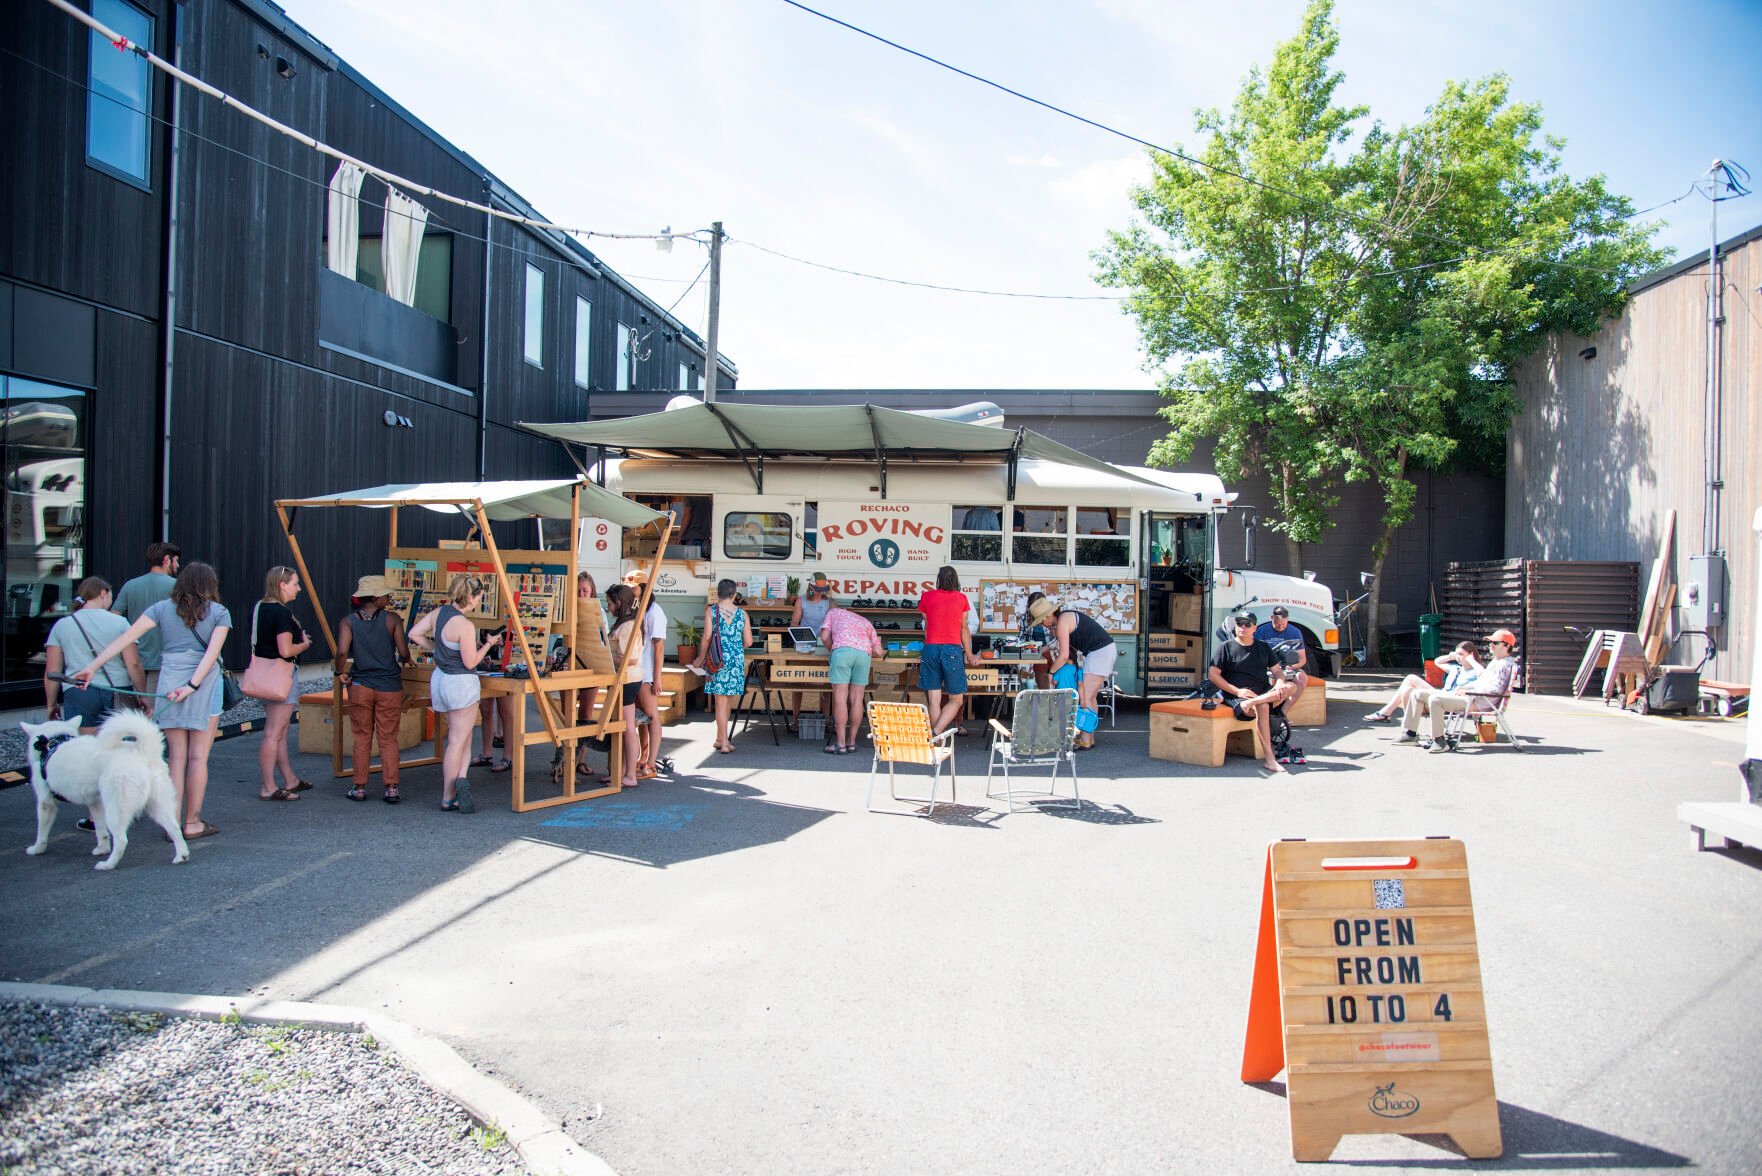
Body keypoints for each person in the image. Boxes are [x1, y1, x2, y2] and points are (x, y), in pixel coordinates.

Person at [75, 561, 231, 838]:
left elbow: (126, 638)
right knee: (198, 758)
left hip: (169, 682)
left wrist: (93, 666)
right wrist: (193, 685)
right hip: (204, 684)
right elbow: (211, 654)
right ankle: (192, 823)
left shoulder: (161, 609)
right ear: (210, 585)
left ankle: (171, 823)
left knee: (176, 758)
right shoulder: (219, 613)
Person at [408, 574, 503, 813]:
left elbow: (414, 634)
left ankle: (461, 781)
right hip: (461, 683)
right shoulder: (465, 626)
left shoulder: (439, 614)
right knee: (457, 740)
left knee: (463, 735)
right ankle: (448, 795)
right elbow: (470, 661)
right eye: (479, 598)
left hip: (441, 679)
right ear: (471, 598)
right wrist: (489, 644)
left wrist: (436, 649)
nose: (479, 602)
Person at [335, 574, 411, 803]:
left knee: (361, 737)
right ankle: (392, 788)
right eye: (386, 595)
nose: (389, 597)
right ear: (377, 598)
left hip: (360, 684)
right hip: (389, 685)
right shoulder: (392, 620)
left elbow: (341, 652)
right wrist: (406, 660)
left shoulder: (348, 621)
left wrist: (340, 673)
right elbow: (403, 652)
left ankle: (359, 787)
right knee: (388, 738)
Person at [45, 577, 146, 732]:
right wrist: (142, 694)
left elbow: (52, 672)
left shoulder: (62, 625)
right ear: (103, 593)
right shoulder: (120, 622)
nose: (111, 601)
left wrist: (51, 704)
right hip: (117, 690)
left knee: (86, 747)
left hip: (78, 691)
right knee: (120, 744)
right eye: (111, 596)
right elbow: (133, 663)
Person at [252, 566, 315, 802]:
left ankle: (289, 779)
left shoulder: (260, 607)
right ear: (282, 585)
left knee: (279, 729)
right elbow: (286, 650)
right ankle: (268, 786)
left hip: (263, 674)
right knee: (273, 733)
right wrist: (305, 644)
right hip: (281, 675)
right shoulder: (281, 613)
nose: (298, 588)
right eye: (295, 583)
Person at [1399, 629, 1520, 751]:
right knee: (1416, 693)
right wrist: (1465, 687)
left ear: (1507, 646)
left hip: (1477, 703)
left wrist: (1467, 691)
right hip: (1470, 697)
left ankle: (1439, 741)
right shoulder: (1496, 661)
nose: (1491, 645)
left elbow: (1495, 690)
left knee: (1435, 699)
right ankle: (1410, 735)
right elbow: (1482, 681)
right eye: (1491, 642)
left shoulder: (1504, 665)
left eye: (1495, 642)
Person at [1207, 611, 1293, 774]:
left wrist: (1280, 681)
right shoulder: (1225, 648)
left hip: (1260, 692)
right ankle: (1270, 759)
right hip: (1236, 696)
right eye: (1239, 624)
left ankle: (1255, 702)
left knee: (1291, 687)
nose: (1243, 627)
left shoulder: (1263, 647)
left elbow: (1277, 671)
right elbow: (1213, 674)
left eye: (1247, 624)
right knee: (1263, 707)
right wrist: (1237, 691)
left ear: (1255, 628)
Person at [1027, 594, 1118, 750]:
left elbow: (1064, 656)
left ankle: (1085, 738)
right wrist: (1037, 652)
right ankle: (1089, 737)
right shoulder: (1064, 618)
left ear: (1049, 615)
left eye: (1042, 620)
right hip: (1101, 651)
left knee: (1086, 697)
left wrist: (1050, 672)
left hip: (1099, 652)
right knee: (1091, 698)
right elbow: (1053, 645)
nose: (1043, 624)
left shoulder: (1062, 622)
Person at [551, 572, 611, 781]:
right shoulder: (566, 610)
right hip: (568, 668)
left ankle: (579, 761)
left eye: (585, 590)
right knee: (567, 719)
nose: (581, 594)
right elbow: (557, 639)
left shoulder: (599, 612)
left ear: (592, 591)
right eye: (577, 591)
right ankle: (561, 763)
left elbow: (604, 640)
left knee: (584, 718)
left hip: (590, 666)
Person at [111, 541, 180, 696]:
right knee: (155, 710)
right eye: (176, 561)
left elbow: (113, 617)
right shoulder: (178, 586)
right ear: (167, 560)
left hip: (133, 658)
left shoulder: (130, 585)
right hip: (163, 659)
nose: (178, 565)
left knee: (136, 711)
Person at [915, 565, 977, 736]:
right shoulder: (961, 598)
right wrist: (969, 653)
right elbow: (964, 629)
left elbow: (927, 626)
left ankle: (936, 739)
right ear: (956, 580)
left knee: (934, 700)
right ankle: (937, 733)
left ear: (938, 580)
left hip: (930, 648)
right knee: (956, 699)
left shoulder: (926, 597)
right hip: (952, 649)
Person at [693, 578, 751, 755]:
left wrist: (700, 657)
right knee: (727, 702)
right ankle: (721, 739)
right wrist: (734, 646)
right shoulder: (742, 614)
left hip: (717, 660)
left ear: (718, 594)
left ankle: (723, 742)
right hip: (735, 660)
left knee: (719, 703)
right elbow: (748, 641)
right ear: (734, 595)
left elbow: (707, 637)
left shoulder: (711, 611)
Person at [819, 599, 882, 755]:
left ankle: (840, 745)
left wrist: (834, 650)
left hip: (842, 652)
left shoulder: (833, 613)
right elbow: (879, 652)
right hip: (863, 655)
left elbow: (825, 637)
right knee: (857, 698)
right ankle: (852, 743)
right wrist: (863, 649)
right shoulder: (865, 621)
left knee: (840, 698)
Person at [1365, 641, 1481, 723]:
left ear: (1470, 655)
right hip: (1441, 694)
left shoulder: (1475, 671)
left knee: (1411, 678)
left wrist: (1472, 660)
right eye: (1457, 654)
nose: (1458, 657)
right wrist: (1451, 656)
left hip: (1449, 700)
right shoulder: (1455, 668)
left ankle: (1386, 713)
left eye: (1461, 654)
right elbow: (1438, 662)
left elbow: (1483, 675)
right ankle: (1407, 728)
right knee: (1407, 689)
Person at [623, 569, 668, 778]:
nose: (631, 591)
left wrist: (657, 677)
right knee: (640, 717)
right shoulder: (634, 608)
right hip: (634, 671)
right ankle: (643, 757)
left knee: (652, 716)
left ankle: (650, 763)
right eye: (628, 588)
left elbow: (659, 646)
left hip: (647, 672)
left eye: (634, 588)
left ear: (643, 588)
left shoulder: (655, 611)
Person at [604, 584, 644, 788]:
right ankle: (623, 772)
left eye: (610, 603)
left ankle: (630, 773)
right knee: (625, 727)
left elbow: (632, 658)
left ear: (619, 603)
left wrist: (607, 658)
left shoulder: (627, 626)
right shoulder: (629, 622)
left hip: (628, 679)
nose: (608, 607)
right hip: (628, 678)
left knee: (628, 727)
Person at [789, 576, 833, 731]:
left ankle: (826, 718)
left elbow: (836, 620)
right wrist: (799, 634)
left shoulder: (830, 602)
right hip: (804, 644)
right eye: (818, 590)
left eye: (823, 590)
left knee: (826, 684)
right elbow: (794, 622)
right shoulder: (801, 601)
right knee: (798, 682)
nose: (820, 593)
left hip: (823, 644)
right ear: (811, 587)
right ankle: (794, 719)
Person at [1254, 606, 1310, 709]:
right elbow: (1255, 655)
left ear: (1288, 620)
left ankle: (1283, 713)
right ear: (1272, 618)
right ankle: (1270, 710)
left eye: (1284, 625)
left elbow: (1302, 659)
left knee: (1301, 678)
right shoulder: (1261, 632)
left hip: (1287, 666)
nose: (1280, 627)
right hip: (1267, 666)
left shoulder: (1295, 632)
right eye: (1277, 624)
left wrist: (1292, 667)